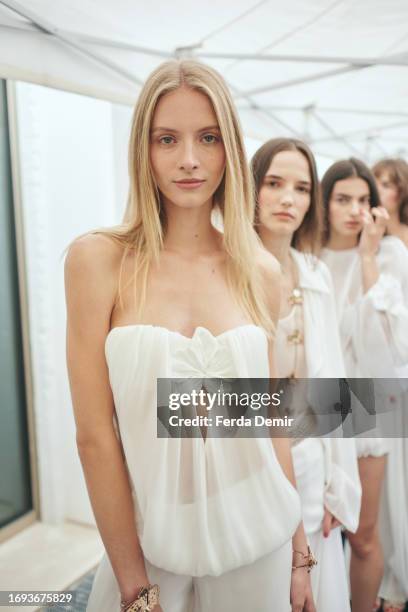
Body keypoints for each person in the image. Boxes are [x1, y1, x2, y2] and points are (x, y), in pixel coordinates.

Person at [64, 60, 316, 612]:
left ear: (230, 148)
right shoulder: (98, 261)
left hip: (260, 541)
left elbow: (270, 421)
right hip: (148, 551)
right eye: (167, 139)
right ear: (143, 150)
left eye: (208, 137)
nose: (189, 160)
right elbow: (93, 436)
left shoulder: (260, 271)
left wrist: (300, 555)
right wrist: (135, 589)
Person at [251, 137, 361, 612]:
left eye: (300, 188)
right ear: (251, 188)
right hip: (251, 465)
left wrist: (339, 479)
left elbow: (332, 387)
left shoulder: (314, 274)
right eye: (274, 183)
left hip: (312, 463)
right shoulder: (228, 270)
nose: (287, 199)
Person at [320, 158, 408, 612]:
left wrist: (369, 256)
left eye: (364, 199)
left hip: (372, 400)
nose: (355, 210)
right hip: (315, 407)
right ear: (326, 201)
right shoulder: (307, 255)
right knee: (314, 530)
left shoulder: (390, 254)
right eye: (343, 199)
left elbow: (389, 345)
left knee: (364, 534)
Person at [373, 158, 408, 612]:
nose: (383, 190)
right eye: (376, 181)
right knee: (381, 485)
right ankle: (385, 575)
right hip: (379, 371)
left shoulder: (399, 247)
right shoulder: (374, 246)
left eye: (389, 183)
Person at [373, 158, 408, 247]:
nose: (376, 190)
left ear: (403, 192)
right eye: (373, 184)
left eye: (386, 185)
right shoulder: (363, 233)